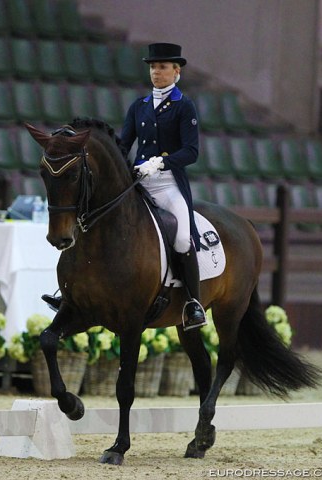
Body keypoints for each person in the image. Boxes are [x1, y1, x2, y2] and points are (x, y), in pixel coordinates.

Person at [119, 42, 207, 331]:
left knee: (182, 240)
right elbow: (123, 145)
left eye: (162, 67)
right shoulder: (139, 106)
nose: (156, 72)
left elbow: (191, 152)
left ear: (176, 71)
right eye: (153, 67)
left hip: (168, 185)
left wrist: (159, 163)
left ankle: (193, 303)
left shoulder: (184, 106)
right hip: (139, 184)